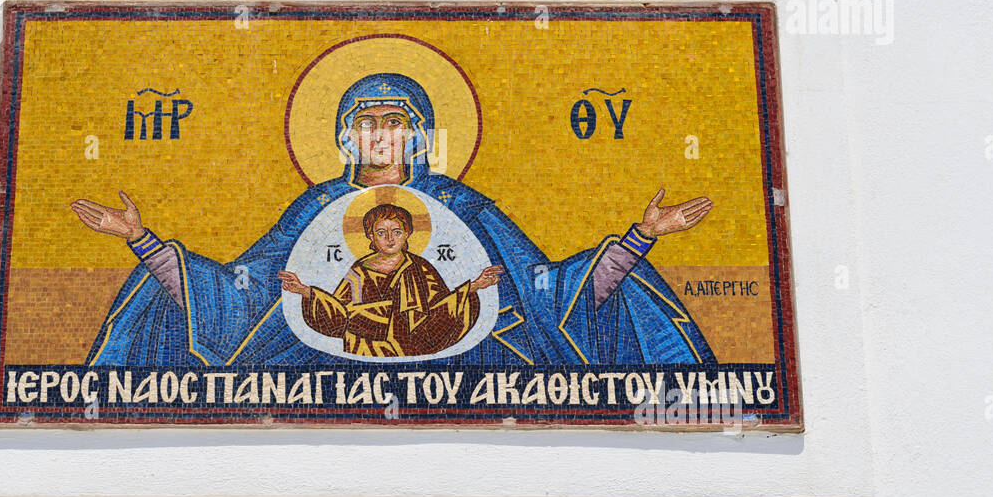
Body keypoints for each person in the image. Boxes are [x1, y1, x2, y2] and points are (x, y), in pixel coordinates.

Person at [70, 71, 716, 367]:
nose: (382, 135)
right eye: (368, 124)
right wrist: (144, 242)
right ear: (347, 139)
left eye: (396, 123)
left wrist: (639, 238)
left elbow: (549, 291)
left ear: (421, 137)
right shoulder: (316, 209)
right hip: (323, 369)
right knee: (151, 299)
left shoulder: (464, 208)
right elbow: (238, 293)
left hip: (464, 369)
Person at [279, 203, 503, 358]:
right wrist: (306, 292)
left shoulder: (421, 268)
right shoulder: (359, 271)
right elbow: (339, 317)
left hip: (410, 349)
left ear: (407, 234)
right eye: (381, 233)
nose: (390, 239)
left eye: (396, 231)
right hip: (365, 349)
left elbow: (440, 312)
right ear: (370, 236)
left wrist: (474, 287)